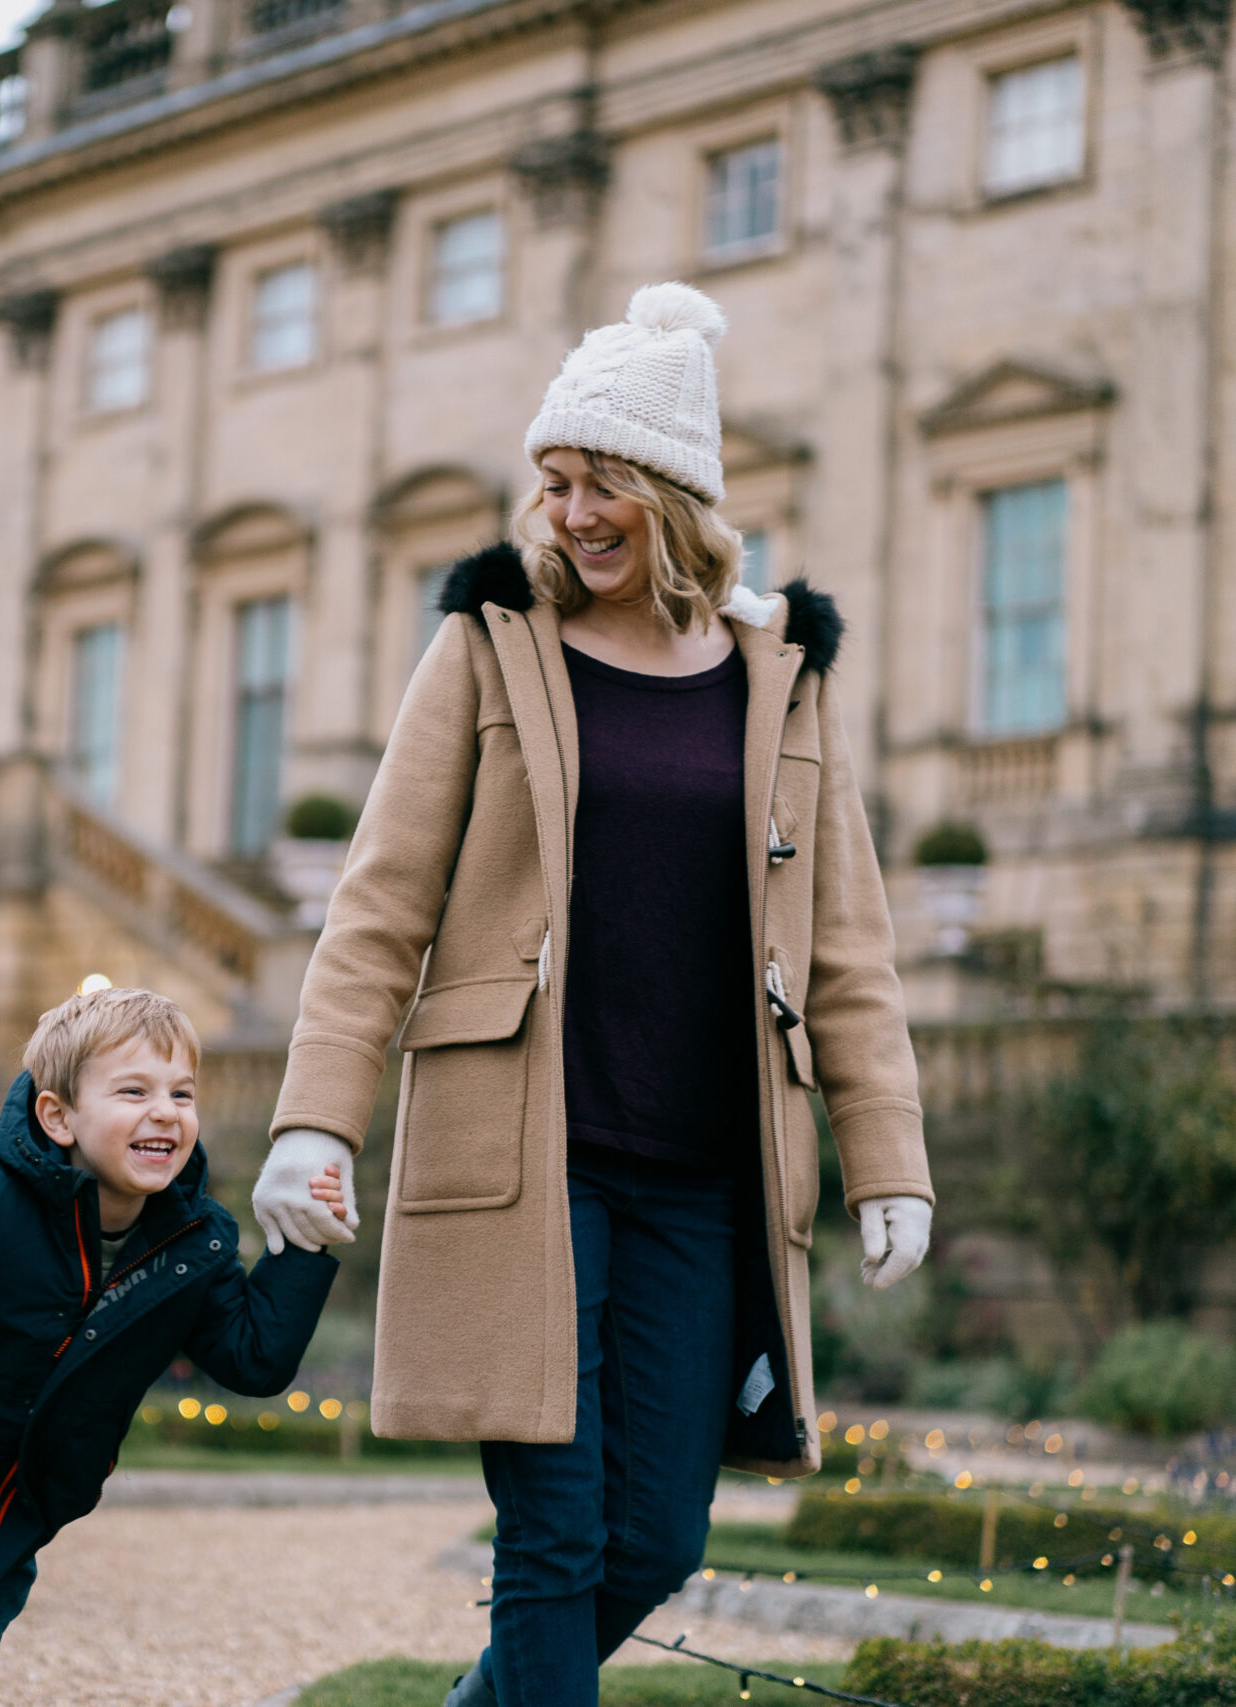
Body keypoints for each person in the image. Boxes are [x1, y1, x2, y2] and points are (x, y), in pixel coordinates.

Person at [249, 283, 936, 1704]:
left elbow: (848, 950)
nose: (568, 512)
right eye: (552, 481)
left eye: (600, 482)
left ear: (675, 494)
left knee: (658, 1533)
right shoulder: (491, 646)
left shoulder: (778, 679)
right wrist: (316, 1117)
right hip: (525, 1160)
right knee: (554, 1539)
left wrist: (890, 1160)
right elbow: (380, 904)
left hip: (702, 1178)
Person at [0, 986, 340, 1707]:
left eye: (181, 1092)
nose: (166, 1111)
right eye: (134, 1090)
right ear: (58, 1115)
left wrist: (304, 1243)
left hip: (26, 1502)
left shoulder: (192, 1245)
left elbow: (255, 1357)